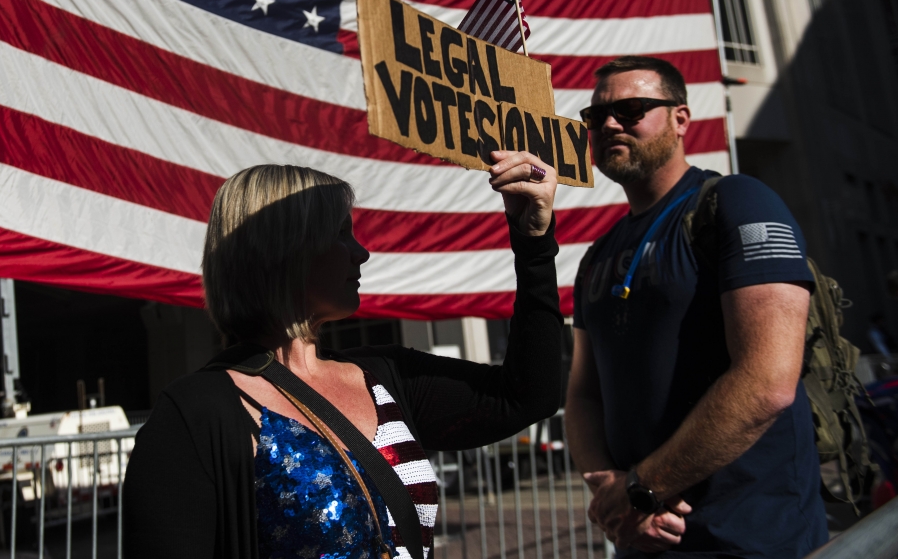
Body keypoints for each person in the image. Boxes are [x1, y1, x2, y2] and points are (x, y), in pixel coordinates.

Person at [123, 154, 563, 558]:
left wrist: (534, 244)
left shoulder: (385, 374)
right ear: (284, 249)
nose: (362, 253)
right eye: (340, 233)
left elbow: (526, 396)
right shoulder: (196, 414)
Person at [565, 56, 827, 558]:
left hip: (752, 540)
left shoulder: (738, 202)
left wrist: (643, 488)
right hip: (643, 540)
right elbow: (582, 396)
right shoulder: (597, 255)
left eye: (633, 109)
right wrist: (613, 493)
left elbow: (768, 380)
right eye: (596, 117)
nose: (610, 124)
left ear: (681, 120)